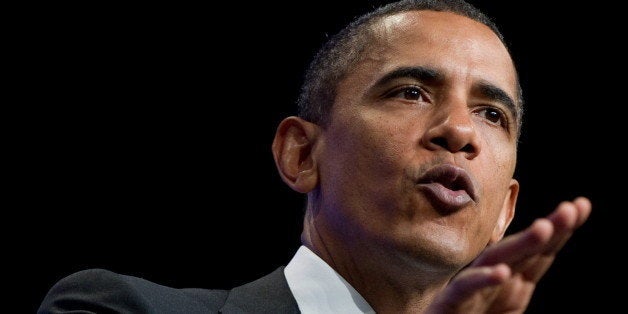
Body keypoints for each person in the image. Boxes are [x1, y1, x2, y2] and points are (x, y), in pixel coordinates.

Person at [38, 0, 591, 313]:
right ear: (300, 154)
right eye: (411, 92)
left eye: (493, 115)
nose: (459, 131)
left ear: (506, 211)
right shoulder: (114, 310)